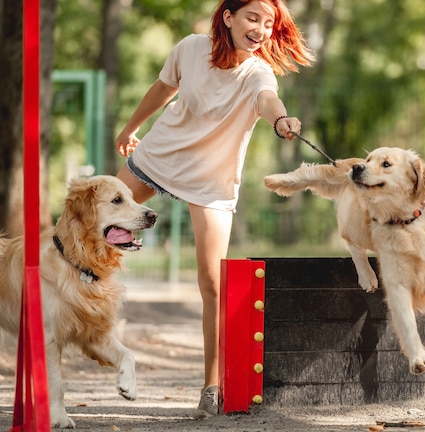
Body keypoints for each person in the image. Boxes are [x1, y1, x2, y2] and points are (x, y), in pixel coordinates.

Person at [115, 0, 313, 418]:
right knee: (95, 218)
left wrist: (282, 121)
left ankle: (211, 385)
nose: (260, 29)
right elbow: (163, 86)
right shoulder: (190, 48)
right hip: (160, 155)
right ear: (229, 17)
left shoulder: (257, 71)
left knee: (212, 280)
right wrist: (131, 128)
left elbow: (266, 100)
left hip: (212, 180)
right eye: (252, 18)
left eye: (268, 23)